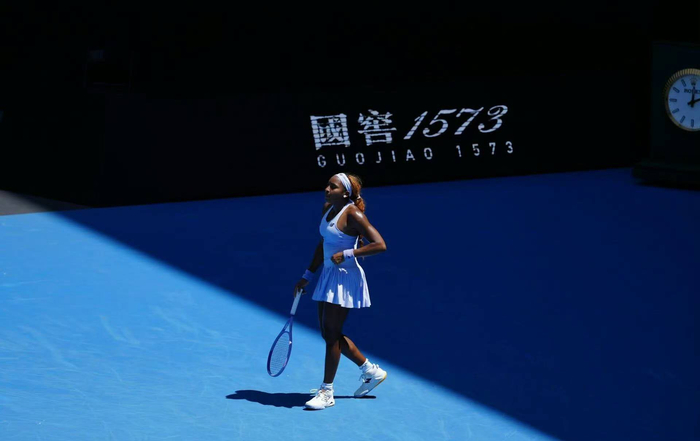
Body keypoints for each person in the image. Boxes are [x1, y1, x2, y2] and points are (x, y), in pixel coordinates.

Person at [294, 173, 388, 410]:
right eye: (327, 185)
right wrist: (308, 275)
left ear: (345, 193)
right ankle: (370, 371)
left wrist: (347, 254)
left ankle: (327, 392)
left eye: (333, 187)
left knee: (332, 334)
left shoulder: (353, 214)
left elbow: (380, 244)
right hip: (328, 274)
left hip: (345, 278)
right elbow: (323, 243)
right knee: (328, 333)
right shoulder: (328, 209)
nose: (327, 189)